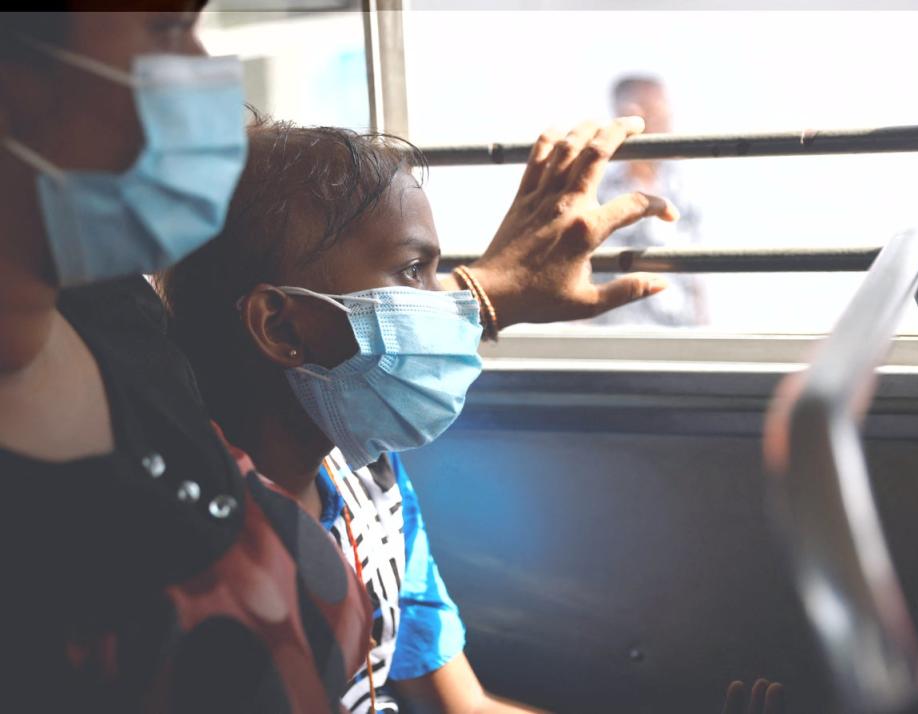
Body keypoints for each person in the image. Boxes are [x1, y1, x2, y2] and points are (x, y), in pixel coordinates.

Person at [0, 8, 680, 711]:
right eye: (168, 28)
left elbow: (462, 705)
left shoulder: (360, 481)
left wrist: (487, 292)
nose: (204, 66)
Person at [157, 115, 678, 713]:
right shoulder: (200, 540)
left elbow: (466, 706)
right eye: (412, 271)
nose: (453, 306)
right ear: (280, 326)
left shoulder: (368, 483)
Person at [593, 74, 708, 327]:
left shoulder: (682, 190)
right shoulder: (597, 192)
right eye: (657, 116)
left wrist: (704, 331)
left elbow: (694, 274)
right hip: (616, 338)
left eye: (665, 116)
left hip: (679, 336)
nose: (665, 126)